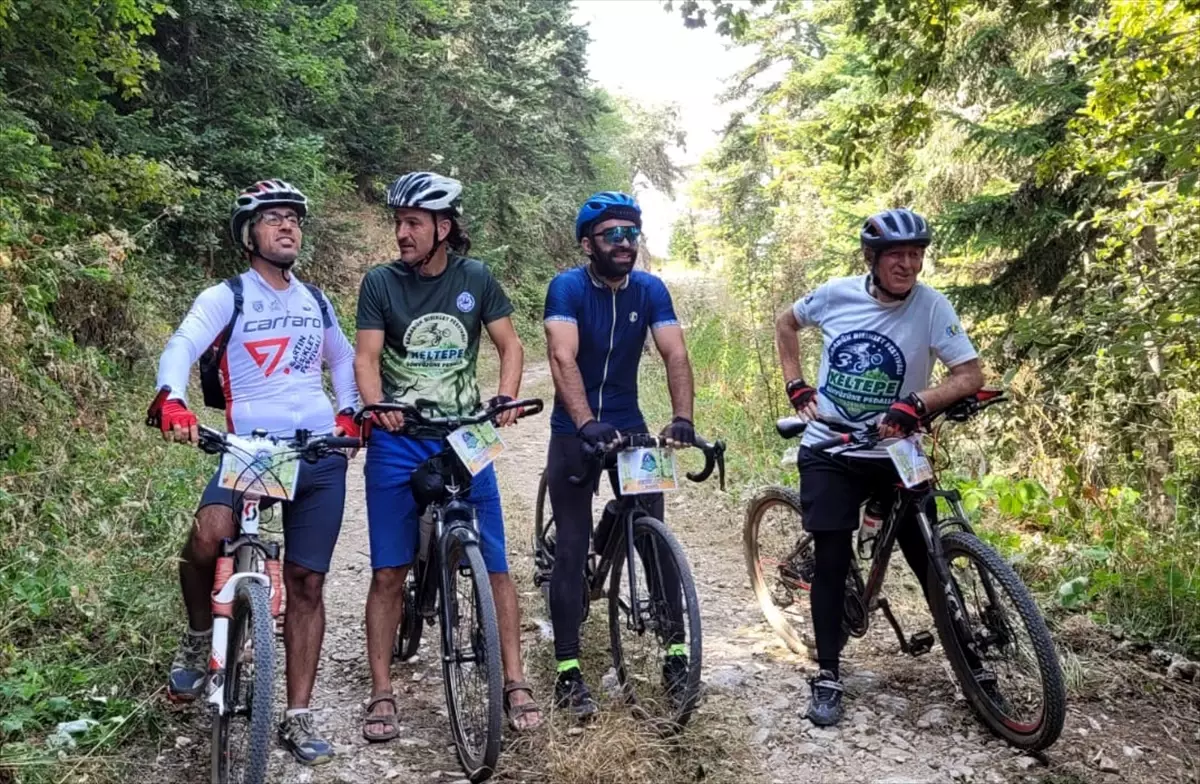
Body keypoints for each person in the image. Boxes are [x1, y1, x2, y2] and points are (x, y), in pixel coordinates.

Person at [149, 179, 361, 765]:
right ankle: (198, 641)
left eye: (293, 218)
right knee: (207, 536)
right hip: (254, 448)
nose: (287, 226)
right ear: (249, 234)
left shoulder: (316, 300)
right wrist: (171, 398)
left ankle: (297, 715)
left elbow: (341, 359)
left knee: (308, 583)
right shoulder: (228, 296)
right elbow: (182, 343)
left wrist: (348, 413)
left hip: (319, 449)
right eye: (273, 218)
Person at [773, 207, 985, 726]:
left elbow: (970, 374)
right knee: (830, 555)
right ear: (872, 258)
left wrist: (919, 401)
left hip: (899, 450)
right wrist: (796, 384)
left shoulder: (933, 306)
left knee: (931, 554)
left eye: (916, 255)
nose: (909, 264)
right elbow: (786, 322)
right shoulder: (835, 294)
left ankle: (974, 667)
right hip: (832, 448)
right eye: (898, 255)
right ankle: (827, 674)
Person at [354, 171, 543, 740]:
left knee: (496, 565)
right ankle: (382, 690)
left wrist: (506, 396)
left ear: (444, 227)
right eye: (398, 223)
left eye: (412, 223)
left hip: (466, 434)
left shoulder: (475, 278)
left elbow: (511, 345)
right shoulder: (380, 283)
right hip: (399, 436)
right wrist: (376, 405)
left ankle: (514, 680)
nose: (401, 234)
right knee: (389, 570)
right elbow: (366, 359)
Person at [542, 191, 697, 718]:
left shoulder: (651, 289)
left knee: (653, 534)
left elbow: (675, 352)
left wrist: (683, 418)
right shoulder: (567, 287)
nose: (625, 243)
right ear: (589, 243)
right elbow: (561, 357)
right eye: (613, 234)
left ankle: (676, 653)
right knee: (571, 544)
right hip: (574, 427)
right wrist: (584, 423)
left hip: (628, 422)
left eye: (632, 233)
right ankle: (568, 670)